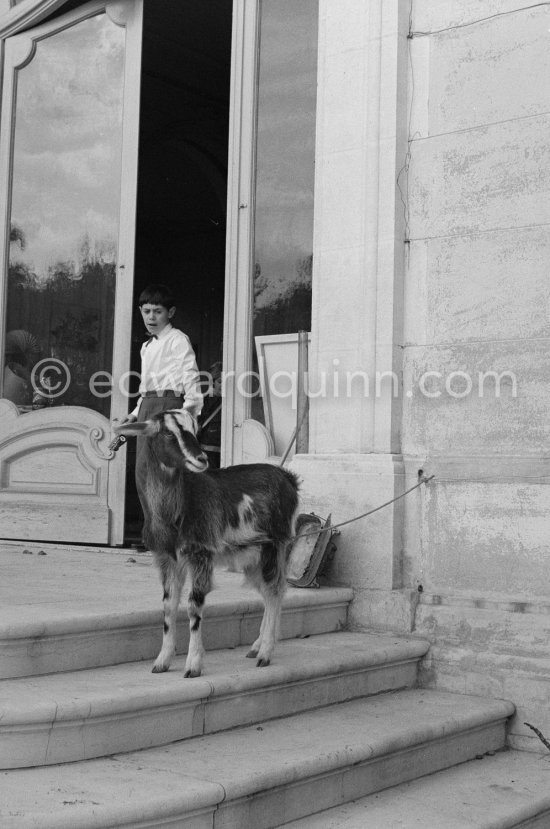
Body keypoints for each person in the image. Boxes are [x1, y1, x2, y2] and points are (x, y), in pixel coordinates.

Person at [117, 284, 203, 534]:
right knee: (143, 470)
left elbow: (191, 376)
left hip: (170, 406)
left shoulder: (177, 340)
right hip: (148, 407)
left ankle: (175, 532)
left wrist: (189, 414)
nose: (151, 317)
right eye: (146, 311)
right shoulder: (147, 347)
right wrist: (134, 414)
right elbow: (147, 388)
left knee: (167, 472)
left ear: (170, 312)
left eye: (157, 312)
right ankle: (154, 532)